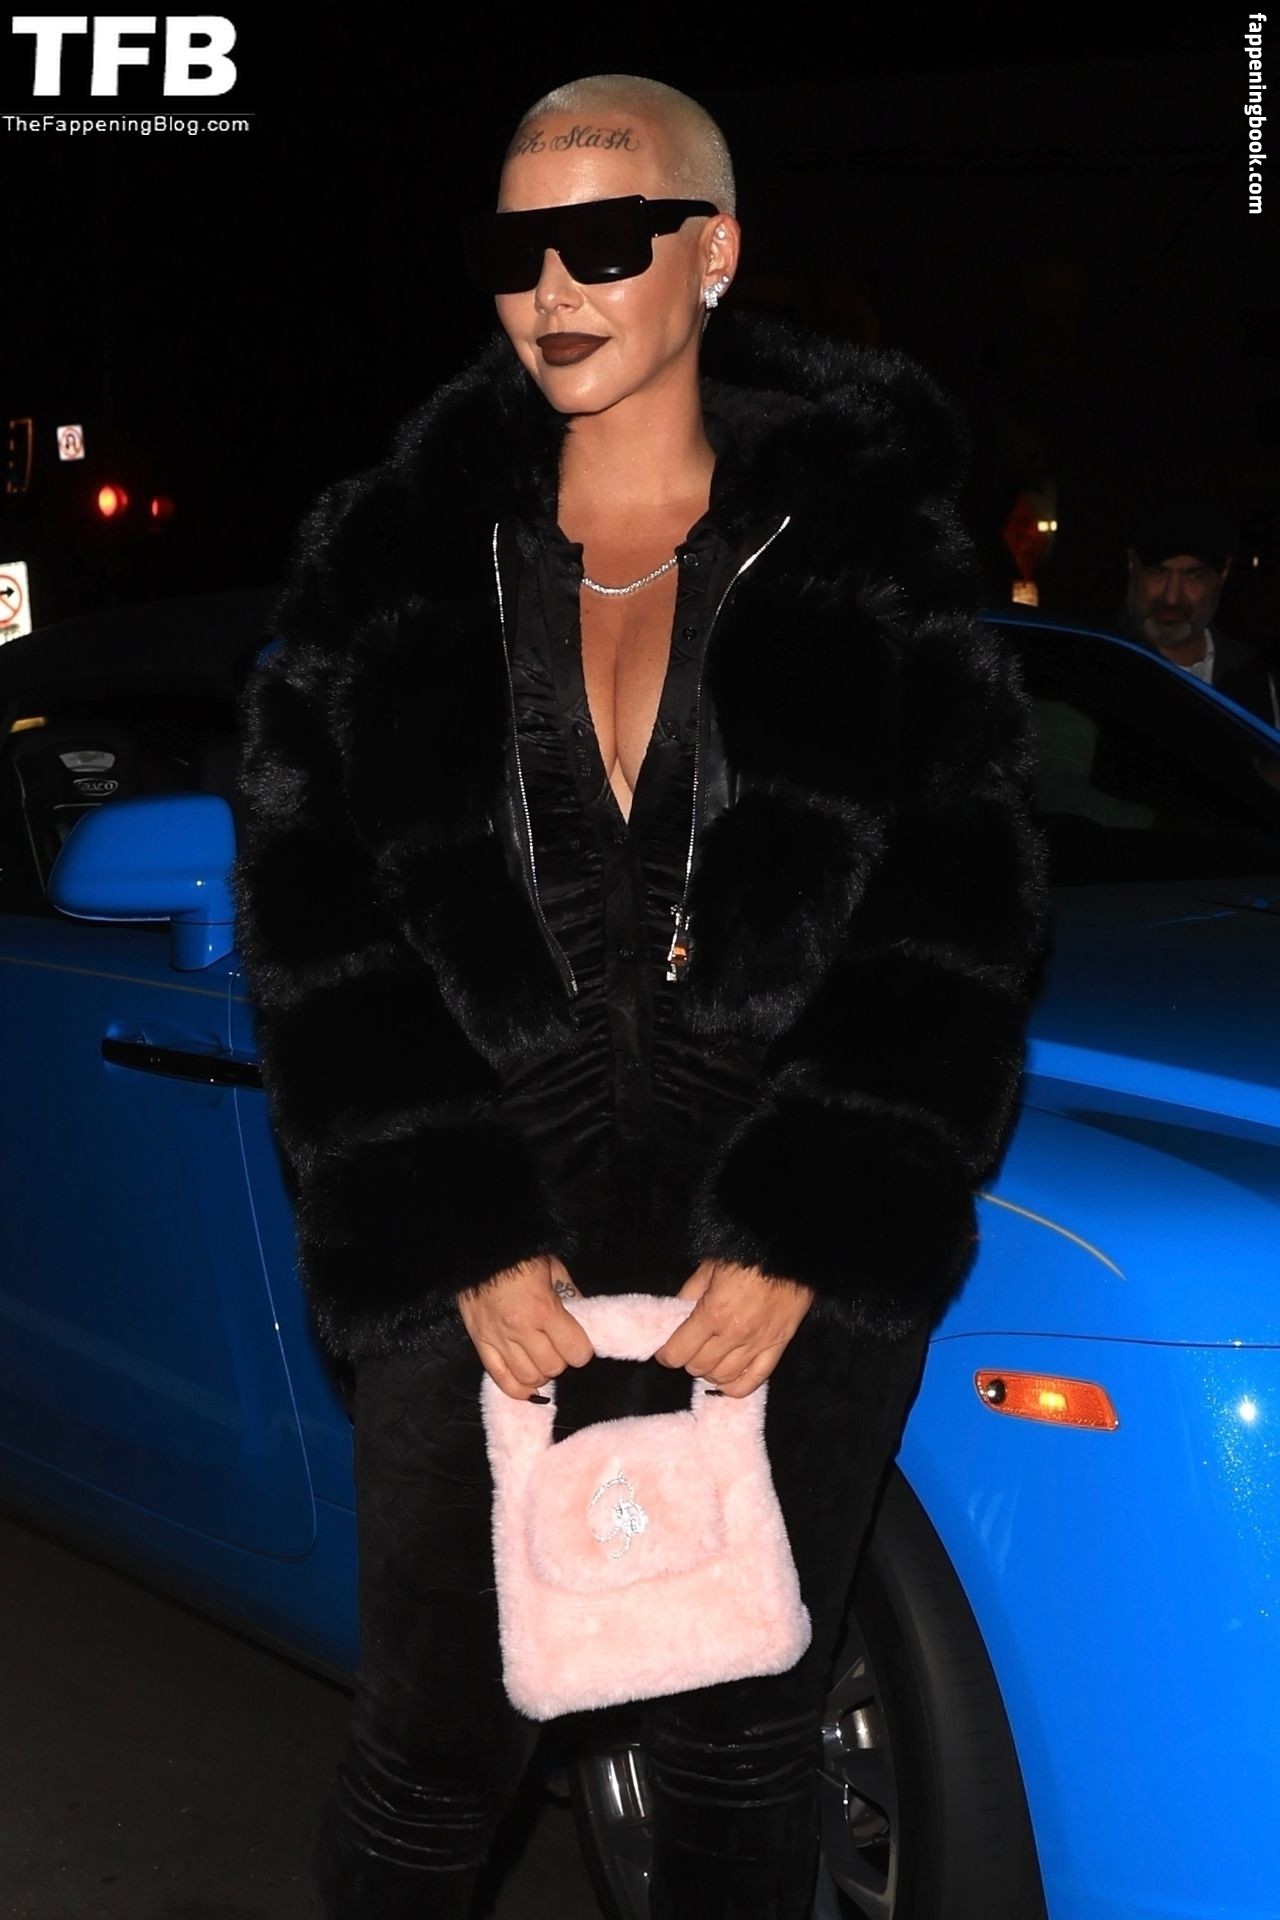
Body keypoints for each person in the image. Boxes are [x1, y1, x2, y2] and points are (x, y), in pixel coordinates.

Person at [231, 73, 1048, 1920]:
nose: (553, 287)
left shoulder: (867, 550)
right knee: (431, 1754)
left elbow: (957, 918)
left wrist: (809, 1228)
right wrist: (454, 1229)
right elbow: (321, 933)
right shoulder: (392, 565)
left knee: (744, 1746)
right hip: (483, 1242)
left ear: (715, 253)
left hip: (771, 1250)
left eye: (603, 239)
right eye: (514, 246)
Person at [1121, 494, 1279, 727]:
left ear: (1223, 574)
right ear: (1132, 563)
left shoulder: (1251, 676)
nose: (1172, 597)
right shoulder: (1093, 660)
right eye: (1158, 572)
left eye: (1193, 576)